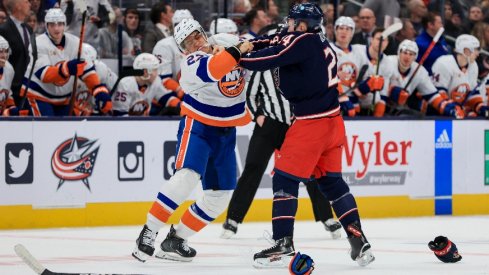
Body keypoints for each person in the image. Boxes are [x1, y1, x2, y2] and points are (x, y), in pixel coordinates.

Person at [239, 2, 374, 268]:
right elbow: (274, 39)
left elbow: (268, 59)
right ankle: (358, 240)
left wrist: (235, 56)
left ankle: (283, 243)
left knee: (285, 181)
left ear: (301, 24)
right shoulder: (314, 40)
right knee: (332, 183)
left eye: (291, 22)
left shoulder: (301, 42)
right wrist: (248, 42)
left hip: (311, 124)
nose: (287, 25)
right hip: (333, 123)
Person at [131, 19, 253, 262]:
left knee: (220, 195)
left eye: (197, 36)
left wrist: (241, 46)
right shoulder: (191, 63)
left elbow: (253, 49)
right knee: (187, 177)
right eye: (188, 42)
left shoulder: (224, 43)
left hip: (226, 131)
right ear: (183, 49)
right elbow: (215, 69)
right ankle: (149, 231)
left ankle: (176, 239)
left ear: (204, 33)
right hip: (199, 126)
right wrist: (237, 50)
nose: (195, 43)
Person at [221, 22, 342, 240]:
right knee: (253, 169)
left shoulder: (301, 62)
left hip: (297, 125)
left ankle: (327, 217)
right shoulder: (265, 63)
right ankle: (233, 220)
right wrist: (258, 116)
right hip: (270, 124)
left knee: (313, 171)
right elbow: (250, 93)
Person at [21, 8, 112, 116]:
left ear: (64, 25)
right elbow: (44, 74)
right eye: (52, 25)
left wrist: (98, 90)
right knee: (47, 128)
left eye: (60, 24)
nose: (56, 28)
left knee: (64, 130)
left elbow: (87, 70)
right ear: (46, 26)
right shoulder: (38, 43)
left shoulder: (75, 42)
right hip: (38, 94)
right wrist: (67, 68)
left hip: (63, 99)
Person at [381, 39, 464, 118]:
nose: (407, 57)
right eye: (405, 53)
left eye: (411, 54)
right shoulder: (388, 62)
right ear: (399, 53)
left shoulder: (420, 71)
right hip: (379, 105)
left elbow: (433, 96)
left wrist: (447, 108)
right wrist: (392, 91)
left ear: (415, 57)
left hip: (399, 109)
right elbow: (376, 83)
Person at [431, 34, 488, 117]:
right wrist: (452, 108)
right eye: (476, 49)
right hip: (436, 109)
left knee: (474, 115)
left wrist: (480, 106)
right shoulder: (444, 63)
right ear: (466, 51)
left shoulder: (473, 66)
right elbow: (437, 94)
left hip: (458, 107)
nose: (478, 54)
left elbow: (471, 93)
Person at [111, 53, 180, 116]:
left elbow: (166, 98)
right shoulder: (125, 84)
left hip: (142, 124)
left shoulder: (155, 81)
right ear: (145, 72)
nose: (157, 73)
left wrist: (181, 106)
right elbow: (119, 114)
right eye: (155, 70)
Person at [0, 0, 32, 107]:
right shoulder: (3, 30)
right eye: (26, 2)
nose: (29, 4)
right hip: (12, 88)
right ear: (18, 6)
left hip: (29, 86)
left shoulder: (29, 29)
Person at [0, 35, 17, 116]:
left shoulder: (9, 69)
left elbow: (7, 94)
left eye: (6, 51)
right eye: (0, 51)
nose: (4, 55)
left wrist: (12, 108)